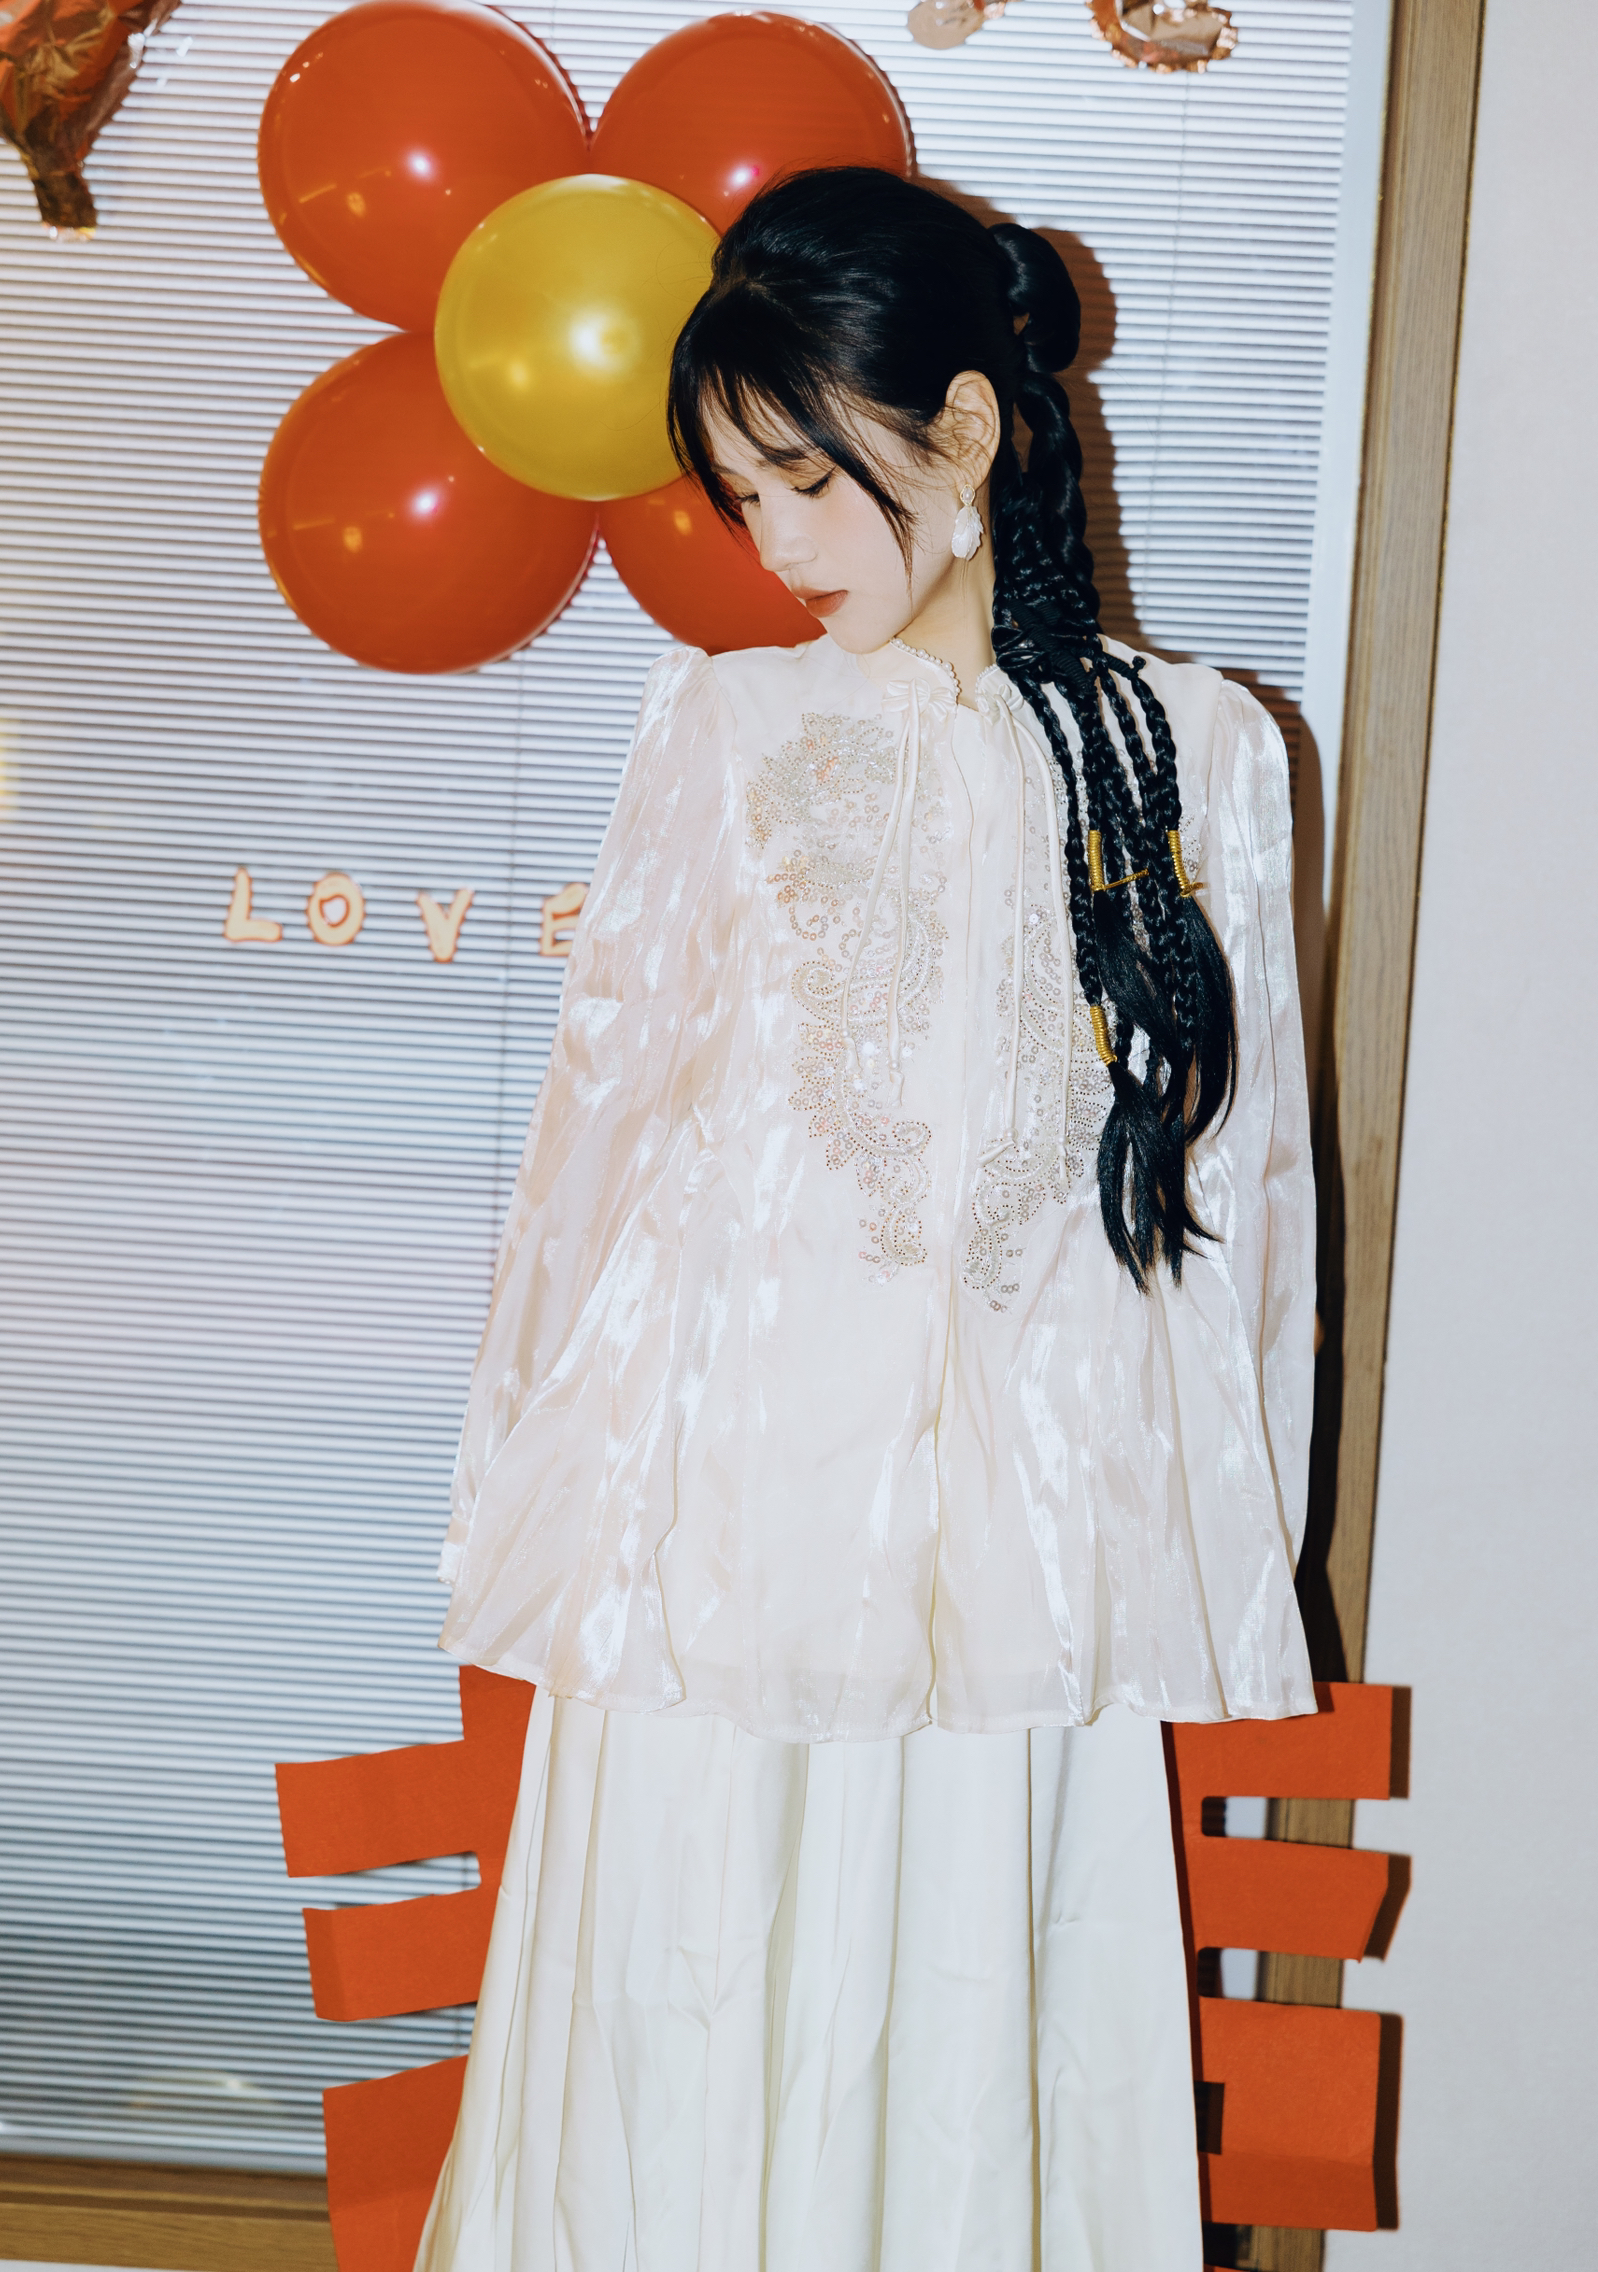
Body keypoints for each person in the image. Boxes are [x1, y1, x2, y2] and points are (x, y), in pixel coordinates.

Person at [415, 166, 1315, 2272]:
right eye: (745, 498)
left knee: (973, 2090)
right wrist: (526, 1498)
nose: (778, 545)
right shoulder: (725, 728)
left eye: (809, 479)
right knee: (685, 2060)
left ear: (969, 428)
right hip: (721, 1551)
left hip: (1023, 1577)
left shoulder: (1205, 755)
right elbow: (596, 1152)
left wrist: (1211, 1553)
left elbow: (1245, 1195)